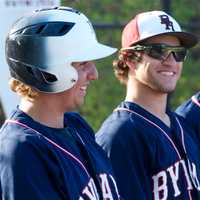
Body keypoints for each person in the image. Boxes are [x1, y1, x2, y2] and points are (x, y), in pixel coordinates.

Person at [0, 7, 122, 200]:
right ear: (49, 69)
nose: (94, 74)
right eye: (83, 64)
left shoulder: (77, 127)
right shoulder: (21, 150)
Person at [96, 11, 200, 199]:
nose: (170, 62)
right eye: (158, 51)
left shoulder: (181, 125)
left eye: (178, 53)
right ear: (129, 59)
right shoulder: (119, 136)